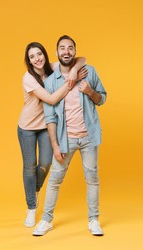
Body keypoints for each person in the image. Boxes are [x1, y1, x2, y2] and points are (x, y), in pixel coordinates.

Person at [32, 35, 107, 236]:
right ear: (57, 53)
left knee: (92, 178)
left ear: (75, 51)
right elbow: (50, 118)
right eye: (62, 48)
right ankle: (46, 220)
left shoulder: (88, 72)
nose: (67, 51)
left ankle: (93, 220)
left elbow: (102, 99)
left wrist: (90, 91)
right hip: (66, 140)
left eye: (70, 48)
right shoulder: (51, 82)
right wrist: (55, 145)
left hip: (89, 137)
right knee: (55, 179)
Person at [18, 42, 88, 227]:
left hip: (47, 126)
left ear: (45, 54)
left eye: (39, 54)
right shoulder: (28, 78)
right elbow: (51, 99)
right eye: (32, 57)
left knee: (46, 163)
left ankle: (35, 189)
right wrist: (71, 82)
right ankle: (31, 208)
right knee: (29, 167)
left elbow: (82, 59)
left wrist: (73, 71)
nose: (37, 59)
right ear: (29, 61)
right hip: (27, 127)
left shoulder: (54, 68)